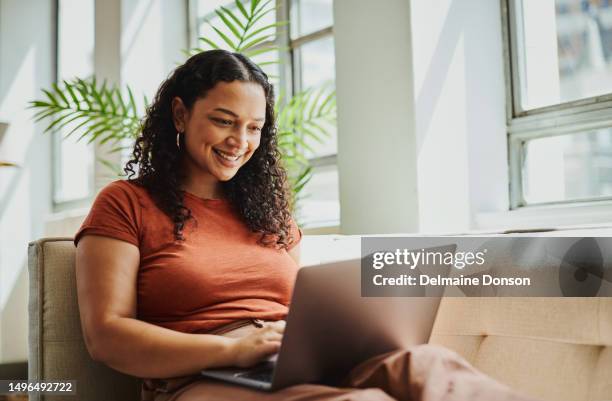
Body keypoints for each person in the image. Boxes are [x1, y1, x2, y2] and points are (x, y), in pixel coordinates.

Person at [74, 50, 539, 401]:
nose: (240, 141)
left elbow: (301, 309)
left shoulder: (268, 212)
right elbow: (107, 336)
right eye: (223, 121)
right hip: (199, 379)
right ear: (180, 114)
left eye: (254, 128)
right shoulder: (126, 203)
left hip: (286, 358)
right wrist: (234, 351)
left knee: (433, 366)